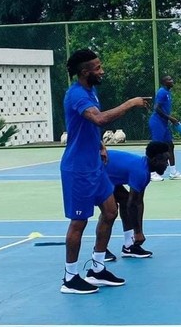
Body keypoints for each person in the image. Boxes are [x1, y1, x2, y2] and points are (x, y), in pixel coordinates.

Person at [59, 48, 150, 294]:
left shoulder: (91, 90)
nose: (102, 71)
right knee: (78, 223)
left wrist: (100, 145)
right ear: (85, 72)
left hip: (95, 166)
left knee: (110, 211)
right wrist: (130, 103)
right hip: (77, 169)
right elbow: (99, 119)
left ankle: (97, 269)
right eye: (97, 68)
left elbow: (86, 126)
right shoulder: (77, 95)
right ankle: (70, 278)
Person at [103, 141, 170, 262]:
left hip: (109, 173)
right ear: (154, 161)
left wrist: (139, 231)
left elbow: (138, 202)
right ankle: (100, 250)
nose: (167, 164)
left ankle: (129, 246)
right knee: (110, 212)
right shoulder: (141, 172)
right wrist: (138, 232)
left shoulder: (144, 171)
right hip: (95, 171)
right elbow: (132, 205)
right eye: (165, 161)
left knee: (124, 200)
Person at [148, 75, 181, 181]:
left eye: (171, 79)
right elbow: (157, 108)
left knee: (170, 146)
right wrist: (170, 118)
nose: (172, 81)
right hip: (157, 123)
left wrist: (169, 119)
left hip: (164, 123)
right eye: (169, 80)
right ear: (164, 82)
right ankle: (152, 173)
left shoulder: (168, 93)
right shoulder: (162, 92)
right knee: (156, 148)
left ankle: (173, 172)